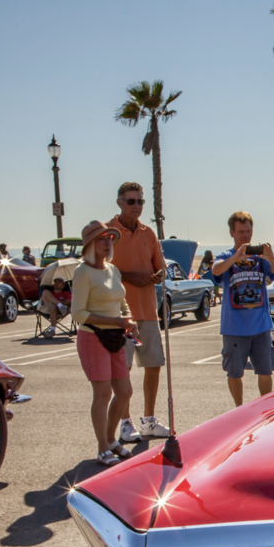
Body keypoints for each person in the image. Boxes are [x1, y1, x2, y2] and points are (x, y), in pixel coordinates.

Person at [70, 221, 138, 467]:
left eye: (109, 237)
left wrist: (129, 320)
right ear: (90, 244)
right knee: (102, 393)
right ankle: (102, 448)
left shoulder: (113, 269)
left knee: (125, 391)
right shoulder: (83, 272)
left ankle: (111, 440)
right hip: (93, 337)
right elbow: (77, 313)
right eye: (101, 238)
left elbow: (122, 302)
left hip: (117, 336)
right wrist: (115, 321)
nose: (107, 241)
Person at [107, 182, 170, 442]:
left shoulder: (148, 233)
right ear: (120, 202)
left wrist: (157, 275)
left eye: (140, 202)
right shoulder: (108, 232)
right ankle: (125, 422)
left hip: (147, 312)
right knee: (123, 370)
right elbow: (100, 270)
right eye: (131, 202)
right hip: (120, 314)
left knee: (153, 365)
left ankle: (149, 420)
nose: (136, 207)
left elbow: (162, 267)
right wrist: (131, 277)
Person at [210, 211, 274, 407]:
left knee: (265, 370)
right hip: (234, 327)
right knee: (234, 372)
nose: (245, 235)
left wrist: (269, 256)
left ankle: (265, 408)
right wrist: (235, 257)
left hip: (260, 325)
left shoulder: (260, 259)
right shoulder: (226, 256)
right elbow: (216, 270)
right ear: (232, 232)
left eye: (248, 231)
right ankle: (239, 409)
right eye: (241, 231)